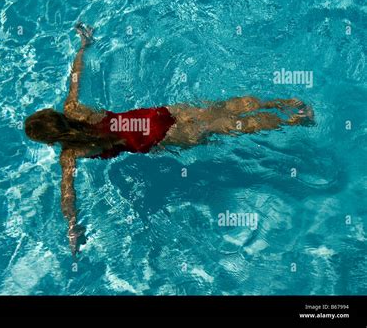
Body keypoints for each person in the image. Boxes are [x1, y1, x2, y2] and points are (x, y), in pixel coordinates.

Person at [25, 23, 314, 255]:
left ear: (50, 139)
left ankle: (294, 119)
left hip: (157, 137)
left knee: (226, 126)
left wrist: (73, 227)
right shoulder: (73, 110)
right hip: (153, 116)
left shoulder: (70, 154)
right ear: (54, 116)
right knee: (220, 108)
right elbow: (76, 78)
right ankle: (284, 101)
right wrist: (84, 46)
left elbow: (68, 196)